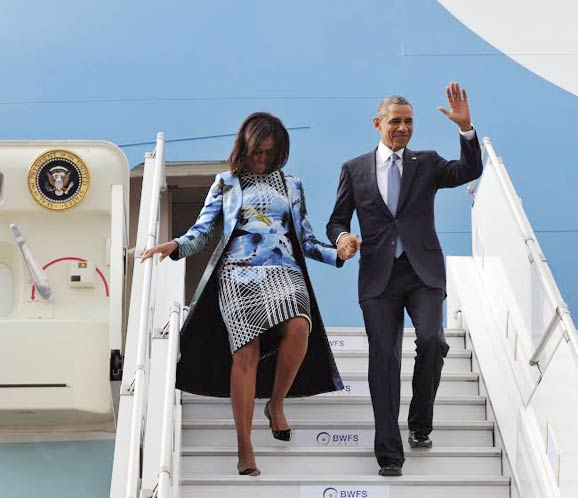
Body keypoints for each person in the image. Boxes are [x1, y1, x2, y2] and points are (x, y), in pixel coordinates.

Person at [141, 112, 354, 476]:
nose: (263, 158)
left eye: (271, 153)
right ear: (246, 146)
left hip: (284, 270)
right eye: (259, 151)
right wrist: (175, 245)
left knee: (300, 327)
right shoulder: (226, 183)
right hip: (238, 275)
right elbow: (205, 231)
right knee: (246, 352)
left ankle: (276, 403)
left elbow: (303, 237)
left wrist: (338, 253)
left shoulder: (292, 185)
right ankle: (244, 445)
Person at [327, 83, 483, 476]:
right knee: (384, 360)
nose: (403, 128)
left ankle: (420, 420)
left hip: (422, 272)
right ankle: (389, 454)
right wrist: (342, 238)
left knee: (433, 342)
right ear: (378, 123)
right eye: (395, 121)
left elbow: (469, 170)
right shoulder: (355, 169)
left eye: (409, 121)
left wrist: (465, 129)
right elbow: (337, 219)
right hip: (378, 278)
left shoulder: (426, 162)